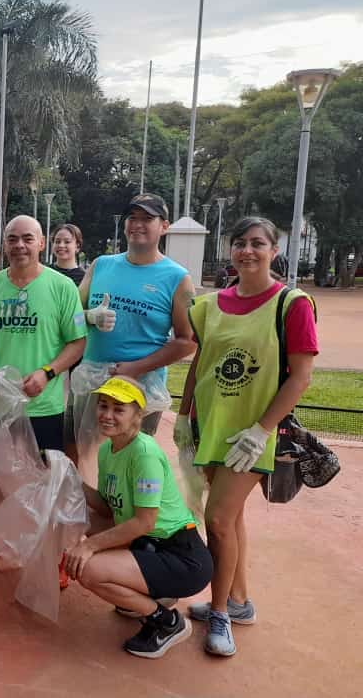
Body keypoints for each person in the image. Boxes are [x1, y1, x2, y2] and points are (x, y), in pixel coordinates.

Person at [175, 217, 317, 657]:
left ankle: (219, 612)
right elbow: (201, 364)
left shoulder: (292, 304)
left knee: (217, 519)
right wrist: (182, 415)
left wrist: (261, 430)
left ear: (274, 250)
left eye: (258, 243)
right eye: (239, 243)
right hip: (211, 426)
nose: (247, 251)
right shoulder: (210, 305)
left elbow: (301, 377)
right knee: (230, 518)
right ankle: (239, 602)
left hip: (254, 434)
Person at [65, 376, 212, 659]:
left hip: (181, 555)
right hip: (148, 543)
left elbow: (144, 522)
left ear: (138, 416)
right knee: (72, 522)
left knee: (89, 569)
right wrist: (70, 481)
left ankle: (167, 622)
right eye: (103, 405)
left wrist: (88, 545)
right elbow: (109, 509)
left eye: (118, 409)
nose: (107, 415)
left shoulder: (143, 454)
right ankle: (149, 590)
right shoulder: (109, 447)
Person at [77, 194, 196, 439]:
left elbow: (188, 341)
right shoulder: (100, 265)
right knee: (85, 460)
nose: (137, 224)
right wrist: (89, 316)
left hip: (140, 387)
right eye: (132, 217)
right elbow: (68, 319)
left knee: (132, 463)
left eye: (147, 218)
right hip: (92, 383)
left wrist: (136, 368)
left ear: (164, 226)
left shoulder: (178, 278)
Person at [0, 215, 86, 453]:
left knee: (41, 481)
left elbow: (77, 342)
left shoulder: (62, 287)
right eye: (12, 239)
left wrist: (47, 373)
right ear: (4, 245)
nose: (19, 245)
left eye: (27, 239)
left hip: (42, 406)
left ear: (41, 243)